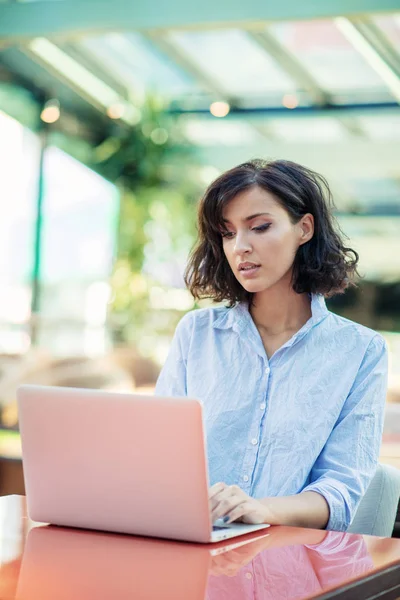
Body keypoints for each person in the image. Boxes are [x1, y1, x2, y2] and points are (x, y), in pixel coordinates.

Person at [155, 159, 388, 532]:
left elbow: (342, 490)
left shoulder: (360, 351)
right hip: (190, 546)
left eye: (260, 227)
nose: (240, 247)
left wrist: (262, 509)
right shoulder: (197, 333)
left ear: (304, 228)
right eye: (227, 233)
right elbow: (158, 455)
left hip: (289, 561)